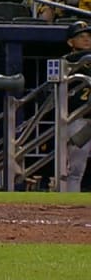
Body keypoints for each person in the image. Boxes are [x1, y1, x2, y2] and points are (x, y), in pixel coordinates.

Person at [62, 21, 91, 192]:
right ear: (70, 42)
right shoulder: (67, 62)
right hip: (78, 120)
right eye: (81, 36)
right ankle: (68, 208)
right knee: (75, 170)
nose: (86, 40)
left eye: (89, 36)